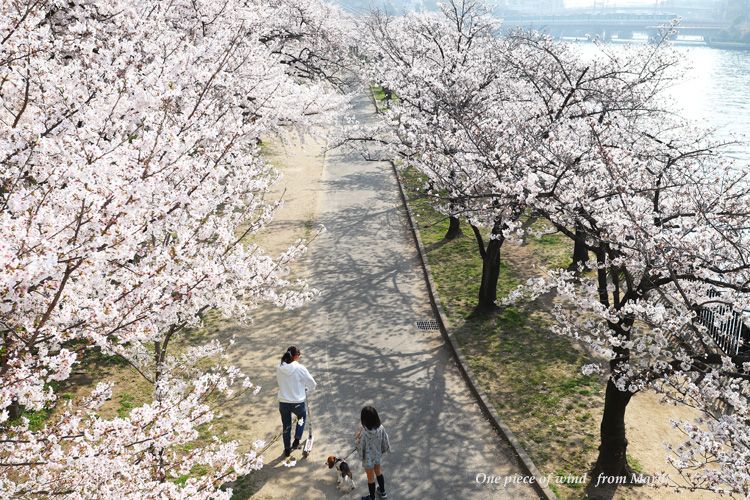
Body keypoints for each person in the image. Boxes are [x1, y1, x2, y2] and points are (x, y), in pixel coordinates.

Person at [277, 346, 316, 457]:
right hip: (297, 402)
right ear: (295, 356)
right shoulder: (300, 368)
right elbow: (312, 384)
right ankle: (297, 439)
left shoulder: (279, 367)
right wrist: (307, 390)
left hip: (283, 402)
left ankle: (287, 449)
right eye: (299, 356)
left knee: (286, 425)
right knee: (302, 417)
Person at [355, 405, 391, 499]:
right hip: (377, 456)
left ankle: (372, 497)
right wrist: (384, 449)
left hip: (368, 460)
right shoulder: (381, 428)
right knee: (378, 471)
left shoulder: (364, 433)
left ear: (364, 420)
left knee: (370, 478)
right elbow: (385, 439)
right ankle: (383, 492)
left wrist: (357, 437)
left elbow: (359, 446)